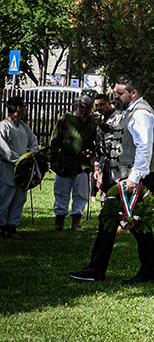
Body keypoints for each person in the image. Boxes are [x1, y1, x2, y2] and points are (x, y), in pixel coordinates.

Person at [70, 74, 154, 284]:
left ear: (133, 92)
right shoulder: (132, 112)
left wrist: (134, 178)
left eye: (120, 93)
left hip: (139, 177)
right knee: (112, 220)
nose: (116, 97)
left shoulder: (141, 114)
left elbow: (144, 148)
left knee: (138, 224)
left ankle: (143, 274)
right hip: (131, 176)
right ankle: (98, 269)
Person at [48, 92, 97, 231]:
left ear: (91, 107)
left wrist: (93, 152)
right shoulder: (66, 118)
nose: (84, 110)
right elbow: (55, 139)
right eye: (81, 107)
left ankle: (76, 222)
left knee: (81, 193)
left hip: (82, 163)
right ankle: (59, 222)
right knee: (61, 191)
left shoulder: (94, 120)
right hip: (66, 161)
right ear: (77, 105)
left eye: (87, 107)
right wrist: (54, 159)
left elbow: (98, 141)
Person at [0, 96, 39, 239]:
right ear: (18, 108)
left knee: (19, 199)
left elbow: (33, 144)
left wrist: (31, 157)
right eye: (23, 106)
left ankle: (12, 228)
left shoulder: (24, 127)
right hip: (6, 169)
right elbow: (4, 150)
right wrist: (21, 160)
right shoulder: (2, 126)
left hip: (22, 171)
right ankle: (1, 228)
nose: (25, 109)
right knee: (4, 198)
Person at [93, 92, 125, 194]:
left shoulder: (119, 117)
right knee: (104, 194)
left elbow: (115, 130)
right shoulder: (99, 118)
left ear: (109, 103)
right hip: (104, 161)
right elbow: (98, 143)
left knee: (116, 193)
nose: (99, 108)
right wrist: (97, 166)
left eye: (102, 104)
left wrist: (103, 125)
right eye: (97, 105)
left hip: (117, 162)